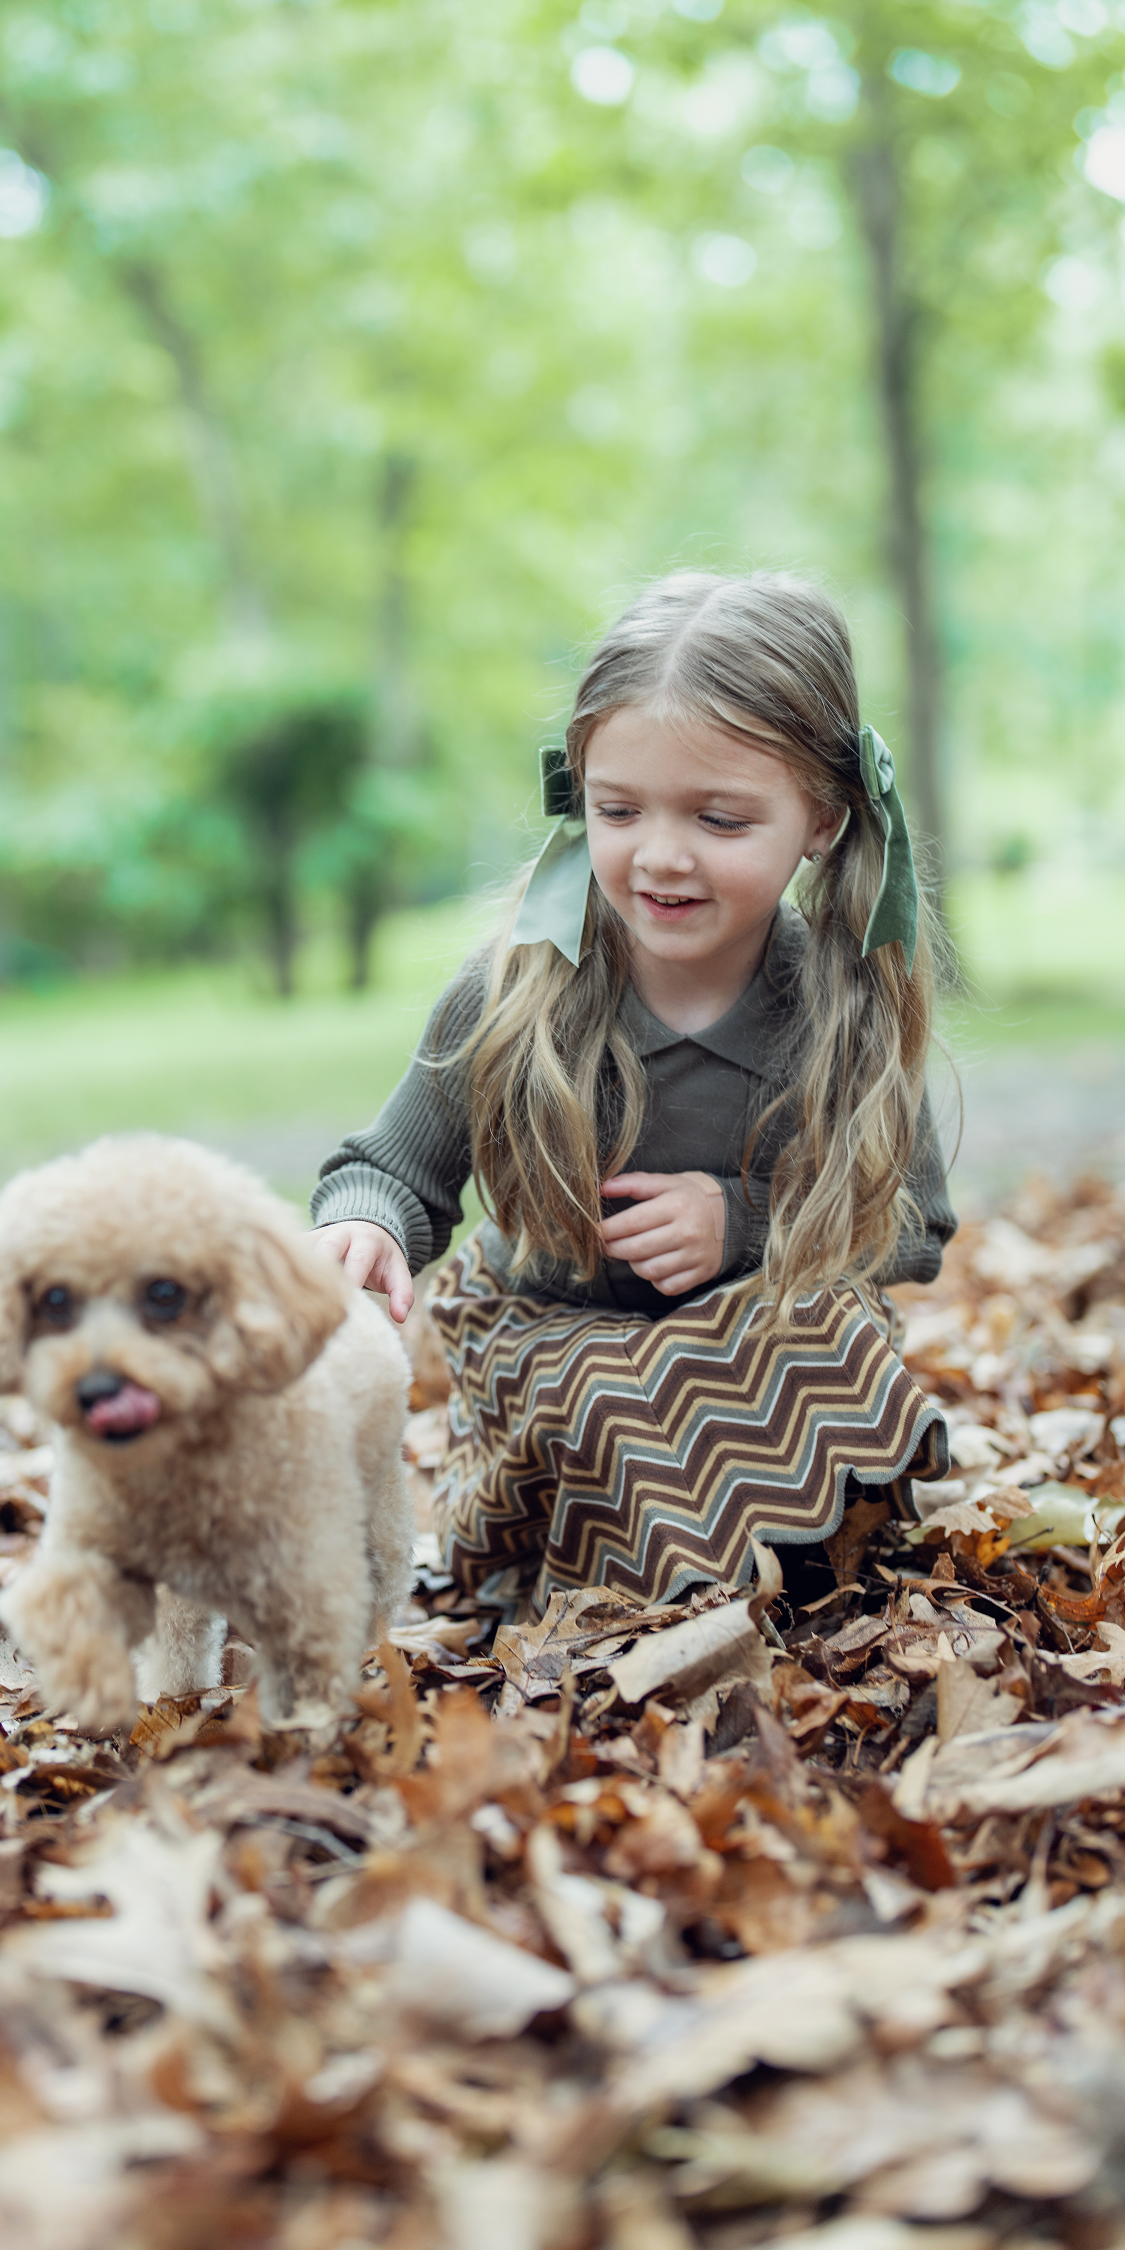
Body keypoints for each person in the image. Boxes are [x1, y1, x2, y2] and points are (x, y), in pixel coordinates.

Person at [310, 570, 955, 1611]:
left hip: (752, 1332)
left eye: (721, 820)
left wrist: (741, 1222)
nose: (662, 856)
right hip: (555, 1336)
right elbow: (393, 1168)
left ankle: (806, 1565)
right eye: (620, 809)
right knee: (616, 1391)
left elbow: (916, 1225)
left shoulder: (841, 1007)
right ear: (579, 795)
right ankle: (617, 1590)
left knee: (835, 1330)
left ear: (824, 819)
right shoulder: (516, 988)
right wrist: (365, 1230)